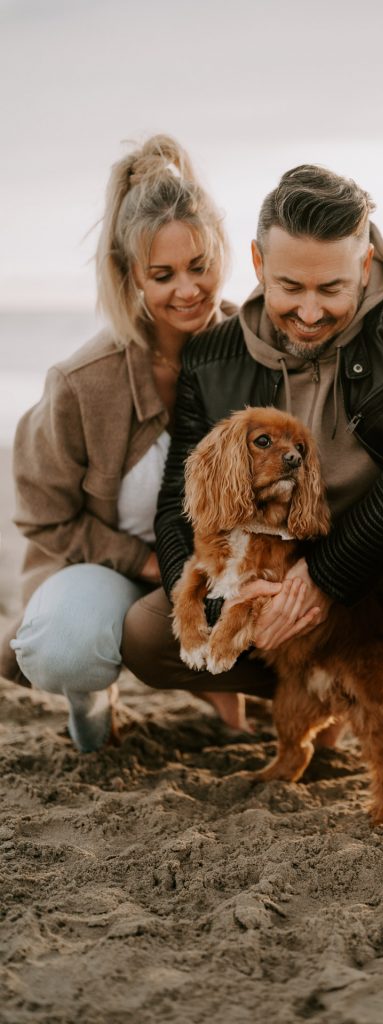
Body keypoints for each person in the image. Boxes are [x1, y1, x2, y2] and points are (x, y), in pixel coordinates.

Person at [122, 164, 383, 845]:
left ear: (364, 261)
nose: (308, 310)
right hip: (274, 579)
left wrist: (326, 577)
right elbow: (181, 500)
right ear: (255, 262)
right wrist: (219, 592)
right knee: (151, 634)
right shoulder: (213, 357)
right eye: (288, 287)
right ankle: (318, 711)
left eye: (331, 288)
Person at [0, 134, 243, 752]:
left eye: (199, 267)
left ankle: (231, 699)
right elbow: (42, 514)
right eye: (162, 275)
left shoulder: (253, 348)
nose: (187, 290)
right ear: (131, 275)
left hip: (215, 563)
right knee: (62, 645)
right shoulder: (83, 381)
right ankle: (90, 700)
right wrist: (148, 563)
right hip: (105, 565)